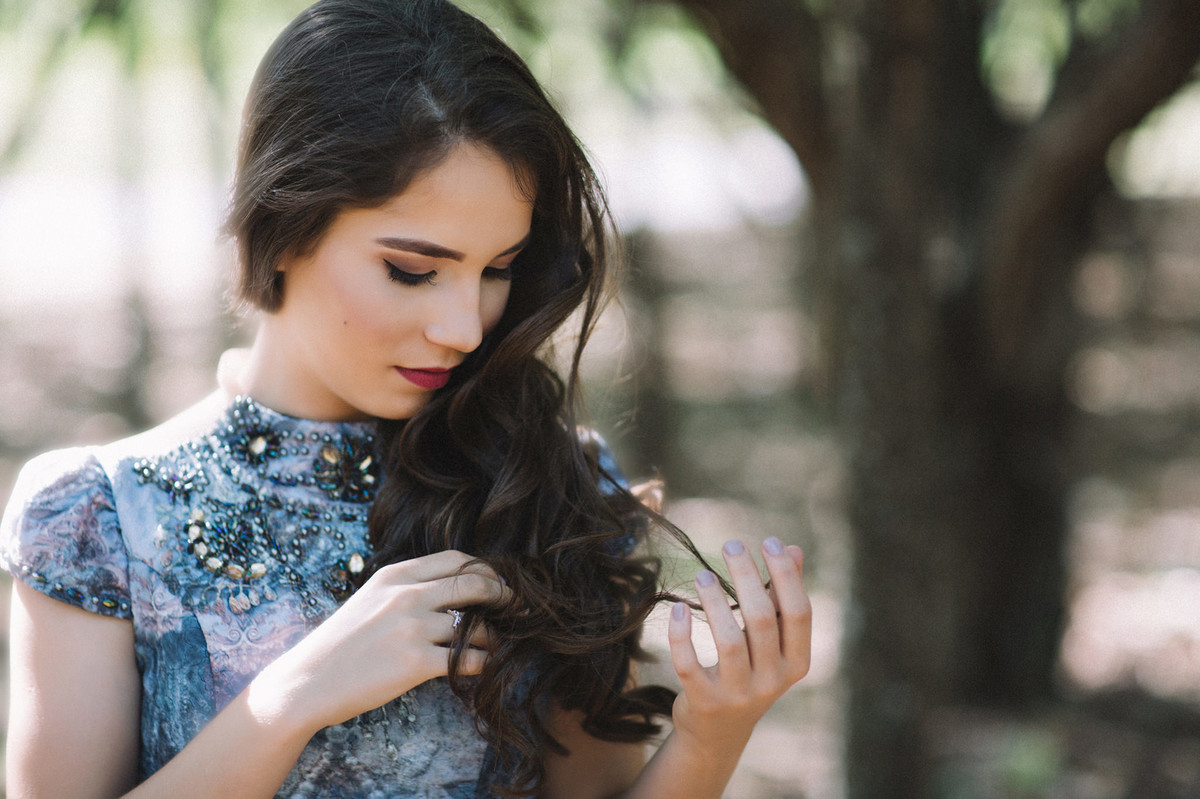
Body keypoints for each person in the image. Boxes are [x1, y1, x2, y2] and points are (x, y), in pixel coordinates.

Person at [1, 1, 812, 796]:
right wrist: (291, 700)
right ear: (283, 225)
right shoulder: (96, 517)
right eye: (414, 270)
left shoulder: (544, 482)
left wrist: (711, 736)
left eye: (498, 269)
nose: (465, 327)